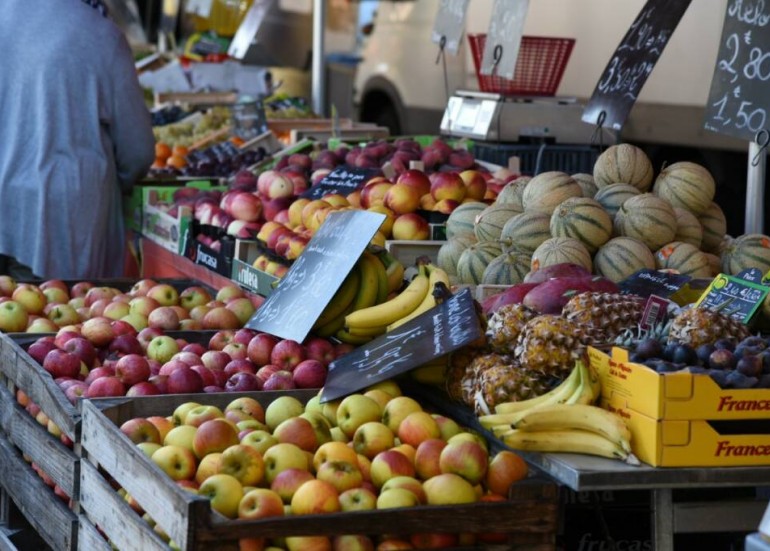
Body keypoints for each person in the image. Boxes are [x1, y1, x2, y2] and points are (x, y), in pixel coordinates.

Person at [0, 0, 155, 280]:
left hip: (12, 213)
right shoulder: (101, 35)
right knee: (49, 317)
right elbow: (138, 151)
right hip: (59, 227)